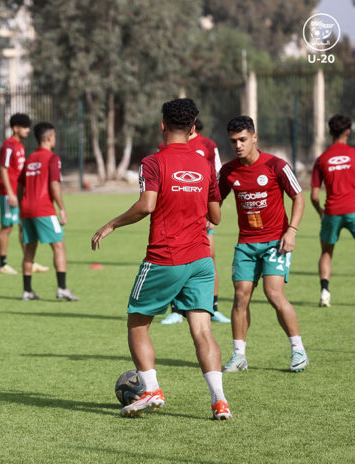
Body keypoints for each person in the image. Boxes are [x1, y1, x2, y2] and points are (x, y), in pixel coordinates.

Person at [92, 98, 231, 420]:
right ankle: (219, 401)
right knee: (203, 331)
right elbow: (217, 216)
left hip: (165, 257)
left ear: (163, 125)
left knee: (137, 323)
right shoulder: (205, 163)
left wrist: (111, 224)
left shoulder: (153, 162)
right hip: (201, 259)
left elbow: (146, 206)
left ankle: (152, 388)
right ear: (193, 127)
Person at [219, 115, 308, 373]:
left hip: (275, 242)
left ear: (254, 138)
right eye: (233, 141)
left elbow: (298, 197)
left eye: (243, 139)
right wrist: (209, 220)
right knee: (240, 296)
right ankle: (239, 356)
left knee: (274, 294)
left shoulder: (276, 165)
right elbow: (214, 199)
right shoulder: (228, 171)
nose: (238, 145)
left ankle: (298, 351)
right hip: (246, 243)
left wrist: (291, 231)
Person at [159, 117, 231, 324]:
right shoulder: (166, 146)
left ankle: (213, 307)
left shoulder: (208, 145)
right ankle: (175, 310)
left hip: (202, 215)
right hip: (174, 218)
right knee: (173, 261)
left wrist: (211, 213)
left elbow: (216, 178)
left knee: (209, 259)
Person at [17, 122, 78, 301]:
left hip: (27, 209)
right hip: (43, 209)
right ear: (50, 137)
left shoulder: (30, 159)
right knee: (59, 245)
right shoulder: (52, 158)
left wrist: (22, 204)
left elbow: (19, 186)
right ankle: (62, 289)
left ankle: (27, 291)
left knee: (29, 249)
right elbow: (54, 184)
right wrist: (62, 208)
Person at [310, 114, 355, 307]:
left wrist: (320, 211)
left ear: (329, 132)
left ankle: (325, 293)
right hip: (353, 209)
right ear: (348, 131)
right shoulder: (353, 154)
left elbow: (313, 195)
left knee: (327, 252)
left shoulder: (322, 159)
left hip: (332, 212)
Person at [0, 113, 49, 275]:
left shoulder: (20, 145)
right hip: (7, 193)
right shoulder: (8, 146)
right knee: (6, 227)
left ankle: (29, 261)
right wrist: (11, 193)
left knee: (22, 226)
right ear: (15, 128)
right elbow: (3, 169)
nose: (27, 130)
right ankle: (3, 264)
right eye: (24, 127)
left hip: (19, 194)